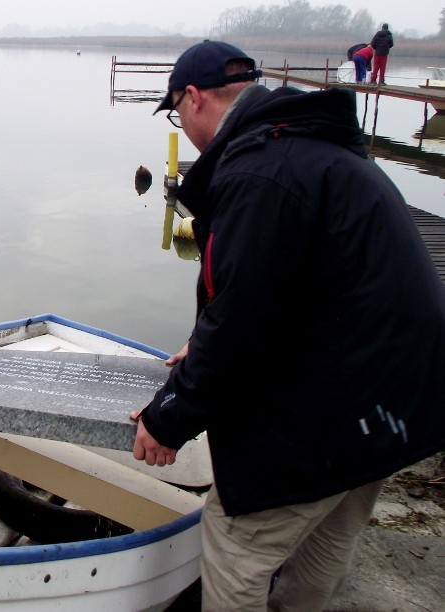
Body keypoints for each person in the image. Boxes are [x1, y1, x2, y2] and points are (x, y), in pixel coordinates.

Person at [134, 40, 445, 609]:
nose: (179, 121)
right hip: (398, 403)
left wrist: (167, 416)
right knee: (326, 540)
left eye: (176, 111)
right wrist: (203, 339)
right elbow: (285, 287)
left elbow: (241, 324)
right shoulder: (308, 145)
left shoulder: (260, 172)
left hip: (339, 410)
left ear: (195, 98)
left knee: (234, 547)